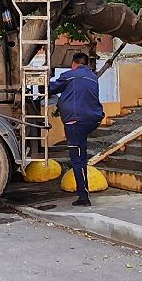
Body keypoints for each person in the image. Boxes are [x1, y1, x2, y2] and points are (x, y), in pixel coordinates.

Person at [49, 52, 104, 205]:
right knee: (82, 155)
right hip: (92, 120)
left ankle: (83, 197)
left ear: (74, 63)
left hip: (74, 122)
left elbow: (51, 88)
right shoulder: (92, 77)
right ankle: (83, 192)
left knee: (76, 159)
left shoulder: (70, 76)